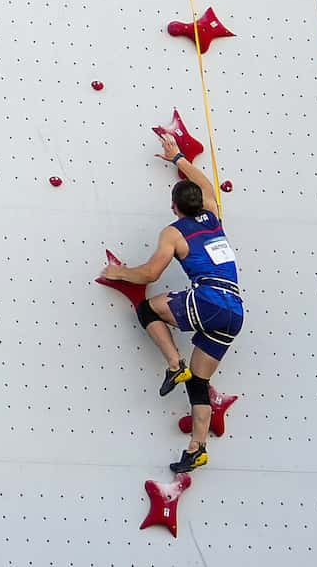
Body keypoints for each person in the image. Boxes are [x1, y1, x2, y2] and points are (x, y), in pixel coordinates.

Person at [100, 133, 245, 474]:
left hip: (208, 298)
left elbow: (150, 273)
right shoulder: (212, 212)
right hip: (234, 311)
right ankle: (198, 448)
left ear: (174, 206)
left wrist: (118, 271)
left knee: (149, 309)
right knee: (198, 382)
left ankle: (173, 362)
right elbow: (204, 183)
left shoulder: (174, 232)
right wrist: (178, 157)